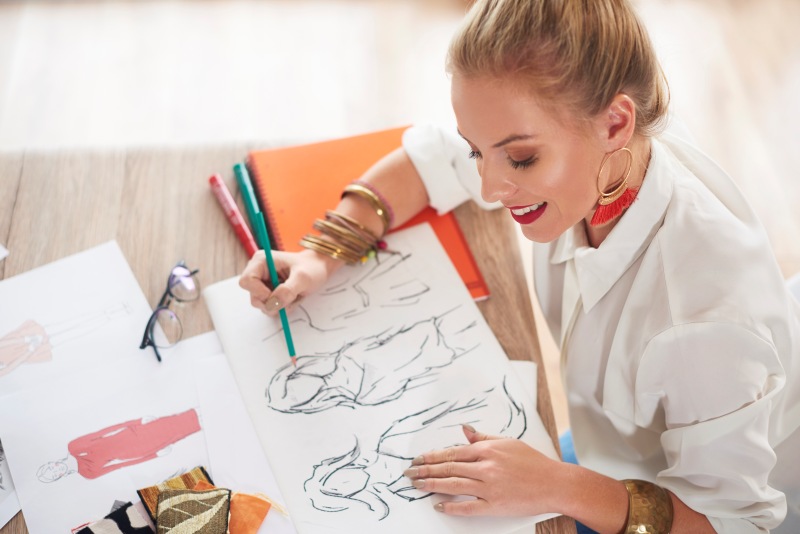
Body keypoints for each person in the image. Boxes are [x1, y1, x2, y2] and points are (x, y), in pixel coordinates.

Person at [239, 0, 800, 531]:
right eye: (478, 150)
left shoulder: (703, 322)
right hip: (612, 455)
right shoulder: (601, 156)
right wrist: (322, 253)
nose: (488, 185)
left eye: (522, 158)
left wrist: (559, 485)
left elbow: (734, 524)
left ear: (615, 124)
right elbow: (430, 158)